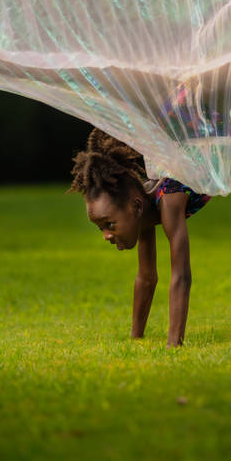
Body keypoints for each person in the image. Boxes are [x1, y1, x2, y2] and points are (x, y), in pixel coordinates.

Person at [68, 128, 211, 347]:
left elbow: (181, 276)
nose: (106, 235)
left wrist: (174, 345)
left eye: (110, 224)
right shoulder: (142, 207)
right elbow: (146, 277)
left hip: (210, 136)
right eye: (101, 229)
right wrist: (136, 337)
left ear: (135, 207)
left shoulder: (169, 200)